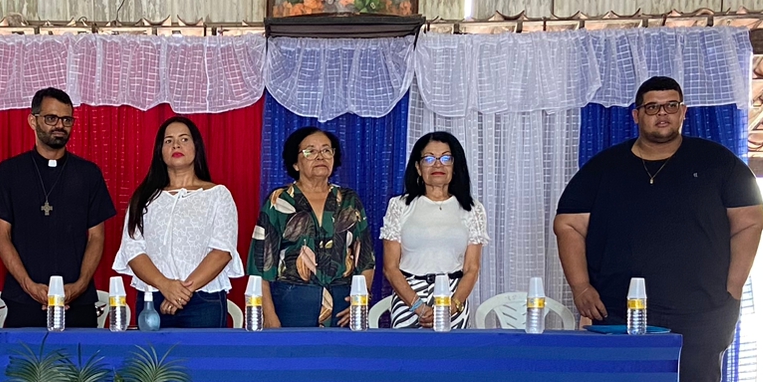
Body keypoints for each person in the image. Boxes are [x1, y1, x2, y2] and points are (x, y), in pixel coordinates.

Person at [553, 75, 763, 382]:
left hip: (702, 308)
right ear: (637, 115)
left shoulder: (718, 163)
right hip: (617, 308)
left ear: (684, 112)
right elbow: (568, 224)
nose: (662, 114)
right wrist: (581, 287)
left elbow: (751, 220)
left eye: (671, 105)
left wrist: (733, 286)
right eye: (652, 107)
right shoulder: (604, 168)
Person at [0, 88, 114, 328]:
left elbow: (97, 237)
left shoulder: (88, 173)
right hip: (23, 298)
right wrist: (29, 285)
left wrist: (79, 286)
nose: (60, 126)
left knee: (80, 355)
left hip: (78, 300)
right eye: (51, 118)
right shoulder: (9, 172)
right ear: (33, 121)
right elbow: (1, 235)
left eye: (67, 120)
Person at [113, 116, 243, 328]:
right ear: (160, 151)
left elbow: (222, 251)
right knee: (151, 352)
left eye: (184, 139)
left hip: (203, 300)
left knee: (203, 352)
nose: (176, 145)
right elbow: (132, 250)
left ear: (196, 147)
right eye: (168, 141)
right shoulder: (144, 197)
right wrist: (165, 285)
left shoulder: (218, 195)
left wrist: (182, 292)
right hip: (152, 298)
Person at [245, 127, 374, 327]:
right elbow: (260, 265)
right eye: (310, 151)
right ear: (295, 163)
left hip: (343, 305)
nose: (320, 156)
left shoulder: (349, 200)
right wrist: (269, 317)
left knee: (341, 349)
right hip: (292, 303)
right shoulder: (279, 201)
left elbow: (365, 258)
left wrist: (359, 302)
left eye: (326, 150)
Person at [381, 131, 488, 328]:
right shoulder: (399, 206)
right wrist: (419, 307)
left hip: (454, 299)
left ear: (455, 166)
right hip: (409, 300)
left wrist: (452, 306)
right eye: (429, 159)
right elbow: (390, 267)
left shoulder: (473, 209)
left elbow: (472, 268)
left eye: (445, 158)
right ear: (418, 167)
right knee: (408, 349)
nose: (438, 165)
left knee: (453, 349)